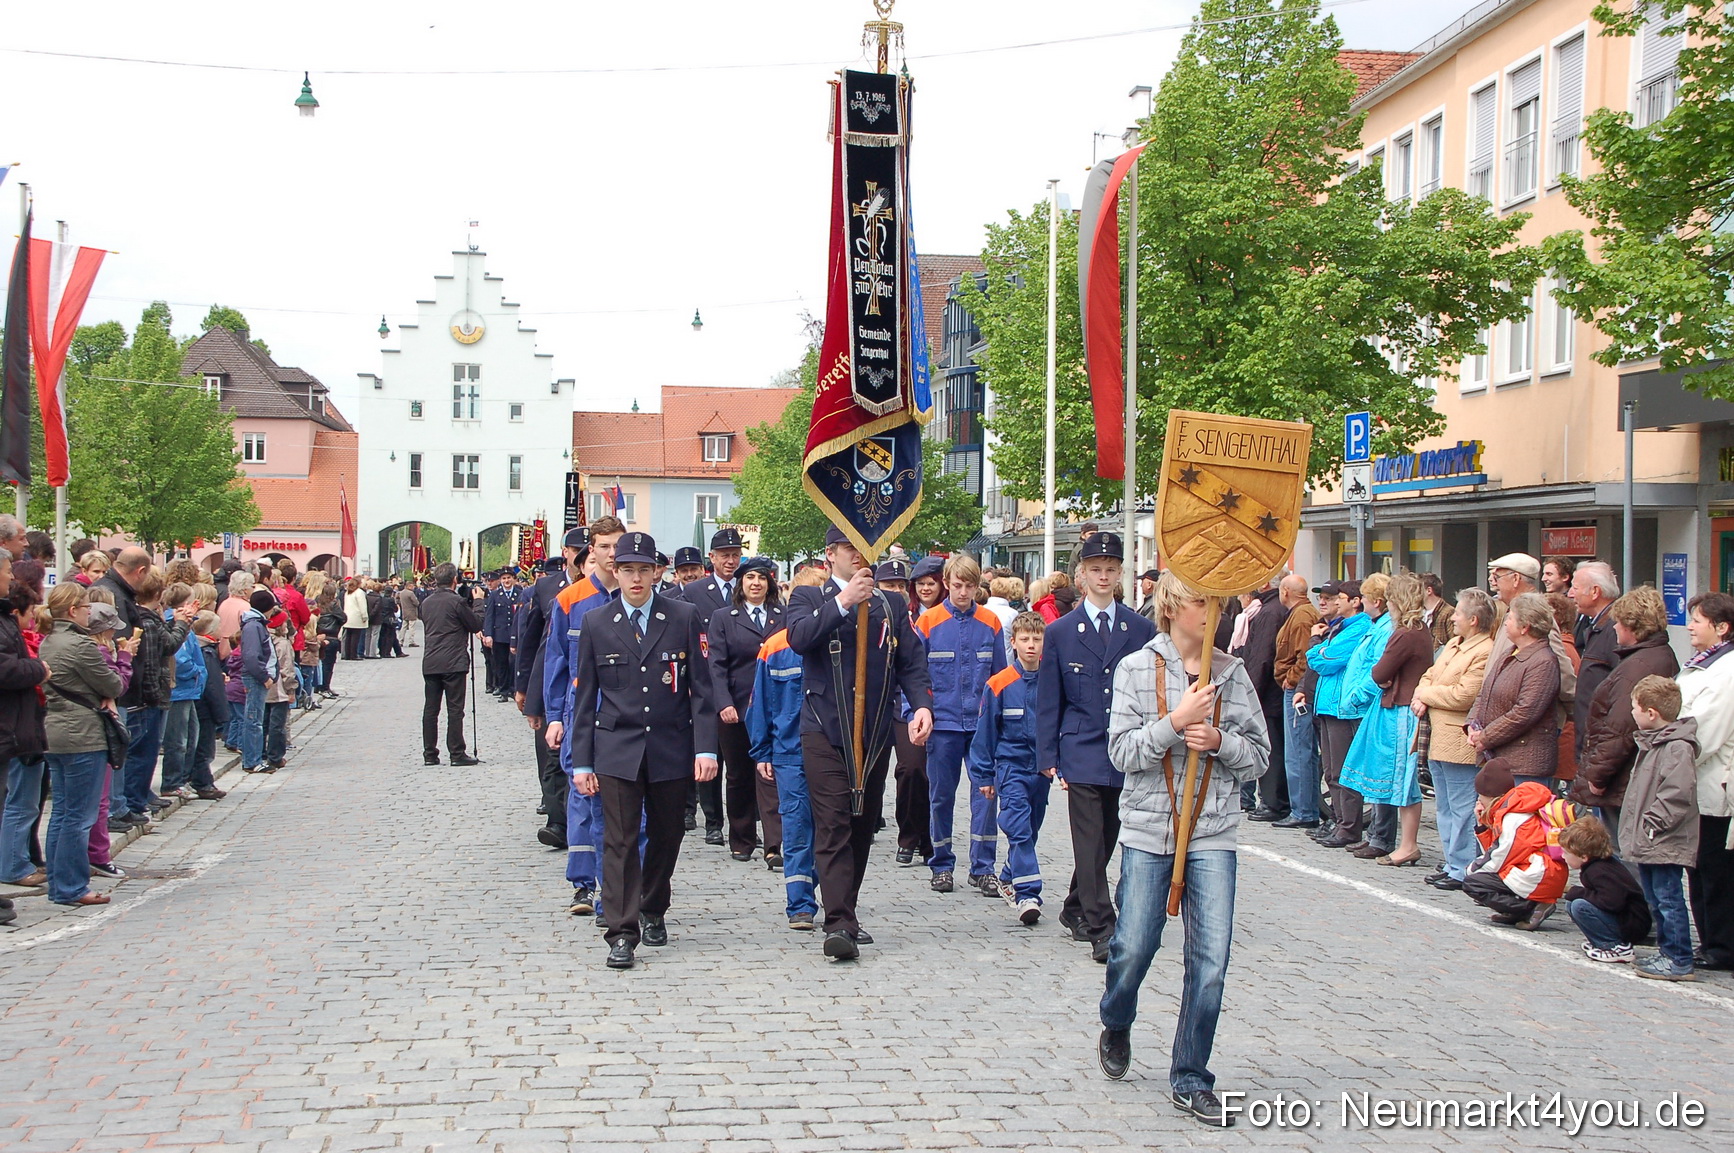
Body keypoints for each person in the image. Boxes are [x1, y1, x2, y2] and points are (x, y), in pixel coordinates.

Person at [1096, 573, 1269, 1126]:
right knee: (1133, 947)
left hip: (1213, 831)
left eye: (1218, 600)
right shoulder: (1135, 668)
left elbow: (1260, 757)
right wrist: (1174, 724)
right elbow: (1122, 754)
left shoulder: (1232, 673)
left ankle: (1191, 1074)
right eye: (1200, 600)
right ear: (1171, 607)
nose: (1211, 610)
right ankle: (1116, 1018)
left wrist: (1220, 742)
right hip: (1150, 832)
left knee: (1211, 961)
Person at [568, 532, 718, 970]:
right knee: (619, 840)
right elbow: (585, 699)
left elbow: (701, 690)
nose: (636, 578)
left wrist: (705, 750)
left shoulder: (682, 616)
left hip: (670, 745)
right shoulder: (597, 622)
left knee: (668, 835)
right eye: (628, 569)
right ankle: (621, 932)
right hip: (617, 747)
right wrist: (582, 761)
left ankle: (653, 907)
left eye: (644, 570)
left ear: (657, 573)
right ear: (615, 572)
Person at [785, 526, 933, 960]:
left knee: (862, 824)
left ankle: (845, 908)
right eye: (849, 546)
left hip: (875, 730)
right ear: (830, 554)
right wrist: (844, 601)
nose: (859, 554)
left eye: (864, 546)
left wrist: (922, 706)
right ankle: (839, 923)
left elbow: (911, 662)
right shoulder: (808, 597)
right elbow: (799, 638)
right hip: (824, 727)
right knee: (832, 822)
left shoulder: (891, 604)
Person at [1036, 532, 1157, 962]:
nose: (1102, 576)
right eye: (1095, 569)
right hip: (1081, 746)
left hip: (1124, 746)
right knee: (1088, 841)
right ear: (1081, 575)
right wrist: (1046, 754)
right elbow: (1049, 697)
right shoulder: (1061, 631)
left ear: (1120, 573)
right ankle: (1102, 926)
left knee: (1107, 837)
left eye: (1110, 569)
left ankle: (1074, 907)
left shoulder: (1139, 628)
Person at [916, 553, 1007, 896]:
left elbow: (1001, 679)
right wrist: (915, 714)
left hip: (982, 727)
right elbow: (914, 676)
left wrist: (1004, 723)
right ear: (946, 584)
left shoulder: (991, 622)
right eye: (957, 585)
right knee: (941, 797)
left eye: (970, 586)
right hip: (943, 725)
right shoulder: (928, 622)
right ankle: (941, 864)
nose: (963, 592)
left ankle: (983, 868)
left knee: (986, 796)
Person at [545, 518, 623, 913]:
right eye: (604, 546)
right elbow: (556, 660)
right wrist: (554, 716)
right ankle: (582, 884)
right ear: (591, 550)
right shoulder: (570, 600)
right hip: (580, 711)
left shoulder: (637, 597)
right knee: (581, 794)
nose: (611, 554)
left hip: (623, 714)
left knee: (621, 801)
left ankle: (616, 884)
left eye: (617, 546)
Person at [1571, 587, 1679, 851]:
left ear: (1633, 626)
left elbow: (1619, 729)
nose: (1615, 628)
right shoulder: (1655, 656)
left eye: (1618, 622)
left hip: (1621, 777)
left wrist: (1598, 776)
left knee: (1620, 850)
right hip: (1629, 773)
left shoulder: (1637, 667)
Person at [38, 583, 126, 906]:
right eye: (87, 607)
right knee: (79, 816)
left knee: (62, 812)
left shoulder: (49, 641)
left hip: (56, 732)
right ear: (73, 610)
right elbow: (113, 684)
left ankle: (59, 882)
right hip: (82, 734)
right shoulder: (80, 645)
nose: (90, 612)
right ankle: (72, 886)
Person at [1342, 573, 1434, 865]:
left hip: (1401, 711)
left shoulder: (1405, 633)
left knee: (1400, 779)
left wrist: (1383, 678)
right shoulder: (1417, 630)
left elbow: (1380, 671)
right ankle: (1388, 839)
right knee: (1393, 777)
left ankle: (1405, 844)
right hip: (1399, 705)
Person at [969, 611, 1049, 925]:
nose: (1031, 645)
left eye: (1037, 639)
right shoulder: (999, 684)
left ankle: (1007, 874)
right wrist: (984, 775)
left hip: (1040, 769)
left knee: (1032, 828)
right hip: (1010, 766)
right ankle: (1027, 894)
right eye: (1025, 639)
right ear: (1013, 643)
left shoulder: (1052, 681)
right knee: (1018, 826)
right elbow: (985, 733)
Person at [1412, 589, 1495, 890]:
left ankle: (1463, 866)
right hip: (1436, 736)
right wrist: (1424, 692)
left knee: (1462, 806)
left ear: (1473, 620)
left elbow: (1464, 695)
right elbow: (1427, 675)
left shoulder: (1484, 650)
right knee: (1444, 806)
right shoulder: (1453, 644)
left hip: (1458, 741)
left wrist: (1425, 695)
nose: (1453, 618)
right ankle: (1451, 862)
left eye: (1458, 613)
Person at [707, 556, 785, 865]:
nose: (756, 583)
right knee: (739, 774)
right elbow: (716, 665)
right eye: (750, 577)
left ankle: (775, 843)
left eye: (762, 577)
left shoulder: (783, 615)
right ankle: (741, 839)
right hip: (737, 707)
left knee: (772, 772)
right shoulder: (723, 617)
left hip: (775, 707)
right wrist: (723, 702)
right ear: (741, 583)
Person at [1623, 675, 1701, 981]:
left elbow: (1677, 793)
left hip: (1663, 838)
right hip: (1651, 837)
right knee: (1657, 898)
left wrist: (1653, 823)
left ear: (1651, 713)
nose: (1632, 713)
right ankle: (1668, 951)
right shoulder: (1654, 744)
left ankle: (1678, 957)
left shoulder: (1676, 747)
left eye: (1635, 707)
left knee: (1668, 898)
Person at [748, 619, 817, 930]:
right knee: (796, 826)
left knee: (832, 828)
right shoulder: (775, 647)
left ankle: (832, 893)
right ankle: (800, 903)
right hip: (789, 752)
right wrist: (762, 751)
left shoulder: (835, 639)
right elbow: (759, 703)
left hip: (831, 750)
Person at [518, 531, 583, 852]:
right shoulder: (546, 587)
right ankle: (557, 820)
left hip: (585, 683)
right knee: (552, 755)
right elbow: (535, 643)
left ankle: (575, 818)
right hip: (552, 681)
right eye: (575, 549)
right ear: (565, 551)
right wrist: (524, 689)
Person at [1680, 591, 1734, 972]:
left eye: (1697, 621)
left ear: (1722, 627)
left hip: (1716, 786)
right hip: (1696, 785)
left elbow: (1705, 732)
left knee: (1715, 871)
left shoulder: (1726, 671)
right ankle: (1710, 940)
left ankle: (1721, 945)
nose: (1689, 627)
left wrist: (1673, 755)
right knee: (1698, 868)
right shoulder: (1703, 664)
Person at [1466, 592, 1561, 789]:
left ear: (1525, 627)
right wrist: (1472, 725)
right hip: (1500, 759)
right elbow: (1485, 693)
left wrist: (1485, 737)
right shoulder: (1509, 653)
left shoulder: (1543, 662)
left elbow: (1525, 712)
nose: (1505, 622)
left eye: (1510, 618)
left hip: (1524, 764)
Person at [0, 552, 49, 919]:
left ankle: (21, 859)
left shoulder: (7, 619)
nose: (9, 576)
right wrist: (38, 669)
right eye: (6, 570)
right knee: (20, 802)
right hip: (11, 727)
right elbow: (6, 669)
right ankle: (14, 863)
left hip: (16, 728)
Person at [1462, 769, 1574, 931]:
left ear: (1490, 797)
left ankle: (1531, 907)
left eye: (1480, 798)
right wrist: (1482, 826)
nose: (1478, 802)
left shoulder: (1514, 817)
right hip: (1540, 871)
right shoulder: (1512, 810)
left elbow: (1499, 856)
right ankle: (1518, 911)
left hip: (1540, 874)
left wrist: (1471, 871)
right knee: (1482, 878)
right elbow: (1496, 849)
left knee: (1474, 884)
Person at [1309, 579, 1371, 849]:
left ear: (1354, 602)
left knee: (1343, 770)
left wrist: (1315, 644)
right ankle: (1339, 821)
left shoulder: (1359, 628)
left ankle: (1348, 826)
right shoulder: (1341, 627)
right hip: (1328, 704)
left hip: (1340, 707)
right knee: (1331, 771)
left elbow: (1326, 661)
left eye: (1338, 598)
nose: (1332, 602)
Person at [1235, 579, 1290, 823]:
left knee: (1271, 748)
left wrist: (1251, 691)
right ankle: (1273, 800)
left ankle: (1273, 802)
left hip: (1268, 694)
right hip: (1271, 692)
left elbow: (1262, 656)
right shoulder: (1271, 608)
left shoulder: (1269, 612)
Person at [1560, 814, 1650, 964]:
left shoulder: (1599, 871)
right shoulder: (1596, 866)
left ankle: (1614, 945)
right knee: (1572, 904)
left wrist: (1577, 891)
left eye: (1566, 853)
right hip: (1626, 919)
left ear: (1584, 856)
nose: (1563, 856)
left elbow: (1611, 902)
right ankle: (1600, 942)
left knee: (1579, 906)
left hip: (1633, 923)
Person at [419, 563, 484, 766]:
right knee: (455, 709)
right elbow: (475, 624)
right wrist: (479, 602)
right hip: (453, 661)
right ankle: (456, 752)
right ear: (455, 580)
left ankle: (430, 753)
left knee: (431, 710)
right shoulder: (457, 602)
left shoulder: (426, 603)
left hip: (431, 660)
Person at [1271, 575, 1321, 829]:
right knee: (1302, 751)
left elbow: (1305, 656)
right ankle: (1306, 808)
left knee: (1298, 751)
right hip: (1298, 688)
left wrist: (1291, 680)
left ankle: (1303, 810)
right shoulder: (1302, 613)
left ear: (1285, 592)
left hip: (1297, 691)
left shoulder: (1301, 616)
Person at [1419, 573, 1452, 651]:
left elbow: (1455, 644)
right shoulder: (1419, 613)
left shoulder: (1448, 613)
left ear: (1429, 591)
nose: (1415, 593)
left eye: (1418, 589)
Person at [396, 579, 422, 647]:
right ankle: (411, 641)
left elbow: (397, 600)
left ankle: (400, 641)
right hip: (412, 612)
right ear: (409, 586)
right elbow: (416, 603)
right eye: (412, 586)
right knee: (411, 627)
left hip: (404, 611)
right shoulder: (411, 593)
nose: (413, 588)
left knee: (403, 627)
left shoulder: (401, 593)